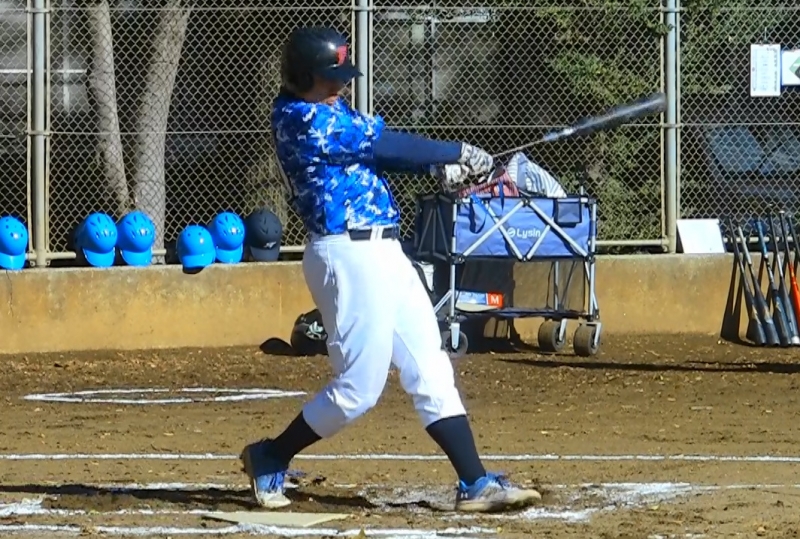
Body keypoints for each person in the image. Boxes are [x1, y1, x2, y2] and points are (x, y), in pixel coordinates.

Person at [239, 25, 542, 513]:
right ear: (304, 76)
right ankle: (270, 455)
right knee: (359, 389)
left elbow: (376, 154)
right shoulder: (301, 119)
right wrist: (457, 153)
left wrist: (437, 168)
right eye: (331, 76)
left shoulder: (332, 110)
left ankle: (475, 482)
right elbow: (384, 145)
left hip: (385, 251)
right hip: (347, 256)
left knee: (430, 366)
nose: (341, 84)